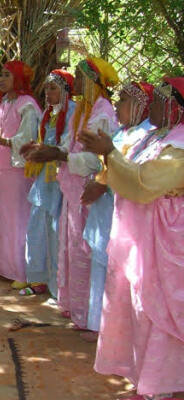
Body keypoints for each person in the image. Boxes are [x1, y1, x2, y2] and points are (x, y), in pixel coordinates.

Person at [81, 77, 184, 400]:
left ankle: (162, 385)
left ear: (173, 107)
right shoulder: (154, 137)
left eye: (158, 100)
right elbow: (123, 170)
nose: (150, 104)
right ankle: (147, 380)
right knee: (140, 305)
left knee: (160, 308)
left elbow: (144, 181)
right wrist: (108, 156)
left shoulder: (180, 146)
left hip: (167, 237)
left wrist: (109, 152)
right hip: (144, 236)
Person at [28, 58, 118, 329]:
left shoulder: (103, 112)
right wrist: (49, 152)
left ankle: (92, 318)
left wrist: (58, 154)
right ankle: (75, 308)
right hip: (73, 189)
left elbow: (96, 159)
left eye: (79, 77)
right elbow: (68, 146)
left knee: (87, 251)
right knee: (71, 247)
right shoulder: (85, 111)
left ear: (92, 81)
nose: (75, 82)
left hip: (90, 191)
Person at [80, 81, 154, 342]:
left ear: (139, 106)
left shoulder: (147, 135)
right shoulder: (124, 132)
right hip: (107, 211)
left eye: (123, 100)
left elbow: (132, 171)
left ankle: (115, 332)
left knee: (120, 270)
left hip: (124, 211)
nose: (117, 105)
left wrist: (101, 184)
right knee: (103, 264)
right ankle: (98, 324)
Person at [0, 60, 41, 288]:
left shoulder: (28, 105)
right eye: (0, 75)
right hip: (0, 168)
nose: (0, 79)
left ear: (19, 79)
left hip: (17, 171)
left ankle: (20, 271)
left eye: (6, 75)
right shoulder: (2, 103)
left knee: (16, 219)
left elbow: (27, 139)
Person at [19, 69, 76, 296]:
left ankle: (58, 286)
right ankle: (38, 279)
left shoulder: (73, 112)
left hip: (61, 179)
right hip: (44, 179)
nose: (48, 93)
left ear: (65, 91)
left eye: (53, 88)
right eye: (47, 88)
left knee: (56, 232)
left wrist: (47, 151)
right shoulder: (47, 113)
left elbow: (69, 146)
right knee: (37, 228)